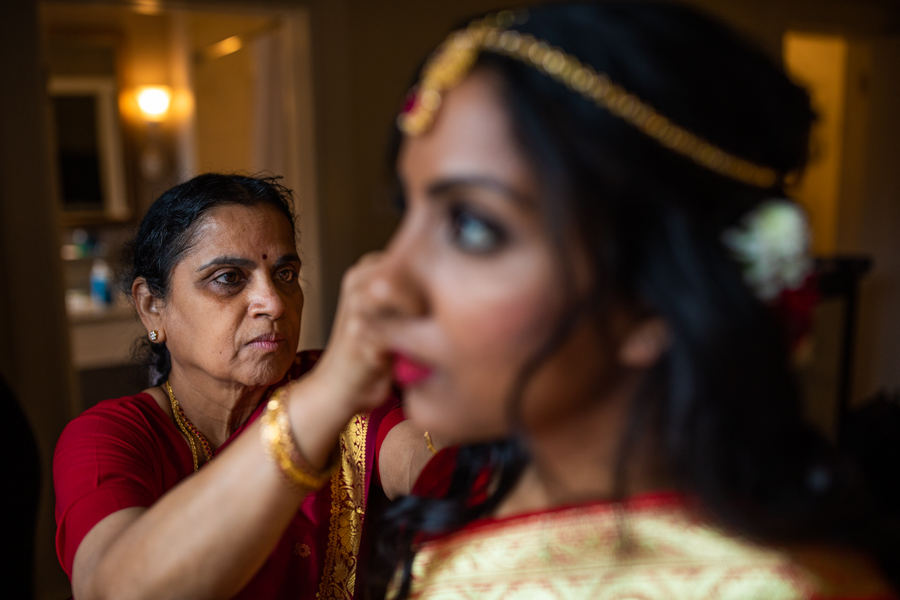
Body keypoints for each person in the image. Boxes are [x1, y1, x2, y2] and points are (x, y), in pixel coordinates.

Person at [301, 3, 897, 598]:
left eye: (472, 227)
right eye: (408, 213)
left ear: (649, 297)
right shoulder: (463, 549)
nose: (379, 286)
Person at [53, 174, 433, 600]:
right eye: (228, 278)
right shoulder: (109, 438)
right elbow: (109, 589)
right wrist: (324, 397)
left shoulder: (330, 387)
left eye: (285, 273)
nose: (273, 302)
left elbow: (426, 462)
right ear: (151, 307)